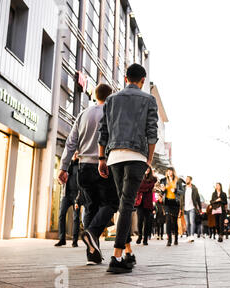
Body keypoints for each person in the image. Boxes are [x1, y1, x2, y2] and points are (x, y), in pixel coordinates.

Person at [98, 63, 158, 273]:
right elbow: (152, 132)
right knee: (126, 205)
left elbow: (103, 130)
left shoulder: (112, 99)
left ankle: (128, 252)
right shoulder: (148, 99)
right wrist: (148, 160)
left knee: (125, 204)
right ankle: (116, 258)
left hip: (114, 156)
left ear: (125, 79)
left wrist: (101, 158)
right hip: (136, 157)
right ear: (142, 81)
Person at [58, 84, 119, 265]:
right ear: (110, 97)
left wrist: (64, 167)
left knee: (91, 207)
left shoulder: (83, 114)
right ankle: (92, 233)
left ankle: (92, 254)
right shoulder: (111, 112)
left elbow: (71, 142)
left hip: (83, 167)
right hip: (104, 165)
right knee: (111, 203)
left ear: (95, 96)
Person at [55, 152, 81, 247]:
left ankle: (75, 241)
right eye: (74, 153)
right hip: (66, 194)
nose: (75, 155)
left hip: (76, 196)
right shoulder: (67, 166)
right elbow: (60, 179)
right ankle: (62, 239)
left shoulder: (80, 166)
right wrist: (59, 181)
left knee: (76, 218)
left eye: (77, 154)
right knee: (61, 216)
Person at [160, 167, 184, 246]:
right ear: (167, 172)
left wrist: (176, 190)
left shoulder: (178, 180)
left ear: (173, 172)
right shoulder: (163, 180)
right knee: (168, 221)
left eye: (171, 171)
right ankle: (169, 240)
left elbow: (182, 192)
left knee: (174, 222)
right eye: (168, 171)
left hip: (175, 203)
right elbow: (161, 191)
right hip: (167, 203)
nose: (170, 172)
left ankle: (176, 238)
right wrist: (162, 190)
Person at [135, 168, 157, 246]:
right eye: (145, 168)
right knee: (140, 220)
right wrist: (145, 188)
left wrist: (143, 188)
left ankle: (145, 239)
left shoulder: (153, 179)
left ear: (150, 170)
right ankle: (140, 236)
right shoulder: (139, 177)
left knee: (147, 222)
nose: (147, 169)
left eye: (148, 168)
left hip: (148, 203)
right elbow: (139, 187)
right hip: (140, 202)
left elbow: (148, 187)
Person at [179, 176, 202, 242]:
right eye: (186, 179)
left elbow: (198, 198)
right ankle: (188, 236)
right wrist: (180, 208)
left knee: (192, 222)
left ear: (191, 180)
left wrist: (200, 208)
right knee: (187, 223)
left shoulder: (194, 188)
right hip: (185, 208)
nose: (186, 180)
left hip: (192, 207)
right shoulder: (183, 188)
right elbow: (181, 199)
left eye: (188, 179)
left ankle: (192, 235)